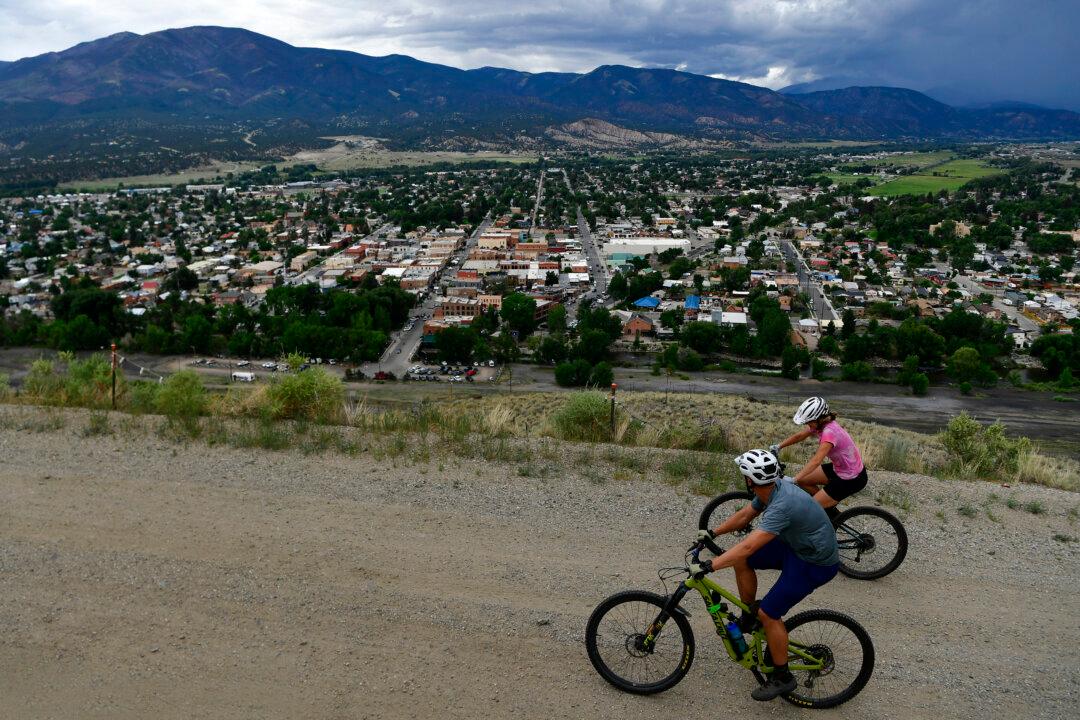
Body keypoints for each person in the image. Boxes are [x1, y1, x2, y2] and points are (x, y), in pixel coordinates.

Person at [691, 449, 840, 701]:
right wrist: (713, 533)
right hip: (797, 547)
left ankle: (782, 677)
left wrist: (710, 565)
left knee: (769, 613)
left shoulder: (782, 504)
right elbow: (745, 516)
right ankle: (749, 616)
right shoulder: (772, 488)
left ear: (749, 480)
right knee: (742, 561)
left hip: (815, 562)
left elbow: (748, 545)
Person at [771, 396, 868, 511]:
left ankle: (821, 507)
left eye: (809, 422)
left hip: (852, 478)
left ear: (819, 418)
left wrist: (793, 480)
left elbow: (816, 461)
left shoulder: (829, 433)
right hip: (840, 468)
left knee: (809, 508)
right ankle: (826, 508)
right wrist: (779, 446)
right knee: (803, 480)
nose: (807, 424)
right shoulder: (820, 425)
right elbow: (799, 436)